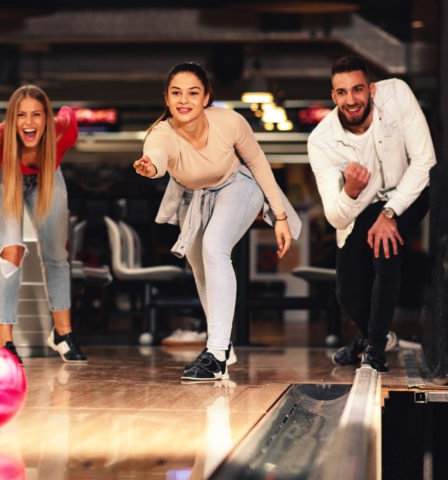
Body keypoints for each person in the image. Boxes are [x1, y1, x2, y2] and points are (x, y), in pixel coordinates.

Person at [134, 62, 300, 381]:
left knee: (214, 248)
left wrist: (279, 216)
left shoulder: (229, 121)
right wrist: (149, 167)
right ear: (166, 99)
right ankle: (223, 344)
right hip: (195, 196)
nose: (184, 100)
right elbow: (156, 157)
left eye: (193, 93)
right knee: (199, 266)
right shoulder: (161, 133)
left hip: (239, 185)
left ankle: (217, 354)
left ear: (207, 97)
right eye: (176, 93)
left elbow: (259, 164)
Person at [308, 55, 434, 372]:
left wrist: (391, 212)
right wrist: (350, 190)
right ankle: (369, 337)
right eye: (342, 92)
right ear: (333, 95)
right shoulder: (321, 141)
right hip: (362, 205)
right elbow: (336, 217)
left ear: (372, 90)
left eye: (358, 89)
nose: (351, 100)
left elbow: (425, 162)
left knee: (384, 249)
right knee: (346, 291)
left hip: (411, 190)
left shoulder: (397, 94)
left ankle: (375, 347)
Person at [0, 85, 87, 363]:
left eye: (37, 114)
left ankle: (62, 333)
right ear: (12, 119)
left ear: (47, 118)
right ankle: (6, 343)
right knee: (12, 250)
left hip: (46, 173)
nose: (29, 122)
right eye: (21, 115)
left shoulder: (62, 132)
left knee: (57, 252)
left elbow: (69, 114)